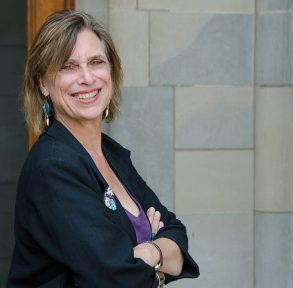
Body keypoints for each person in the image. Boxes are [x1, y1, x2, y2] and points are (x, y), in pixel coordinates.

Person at [7, 10, 199, 288]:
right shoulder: (52, 166)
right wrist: (157, 259)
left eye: (96, 62)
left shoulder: (109, 154)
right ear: (43, 84)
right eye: (68, 66)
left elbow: (177, 236)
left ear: (111, 71)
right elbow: (115, 278)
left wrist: (148, 253)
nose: (87, 78)